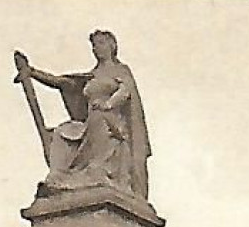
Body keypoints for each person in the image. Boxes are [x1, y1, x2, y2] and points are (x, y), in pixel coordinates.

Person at [15, 30, 150, 199]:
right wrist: (32, 72)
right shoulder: (90, 76)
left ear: (112, 46)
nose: (95, 48)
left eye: (100, 43)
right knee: (60, 132)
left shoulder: (121, 70)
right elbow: (61, 82)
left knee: (99, 118)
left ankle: (97, 170)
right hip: (91, 122)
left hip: (112, 124)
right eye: (93, 45)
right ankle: (62, 175)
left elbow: (125, 91)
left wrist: (108, 104)